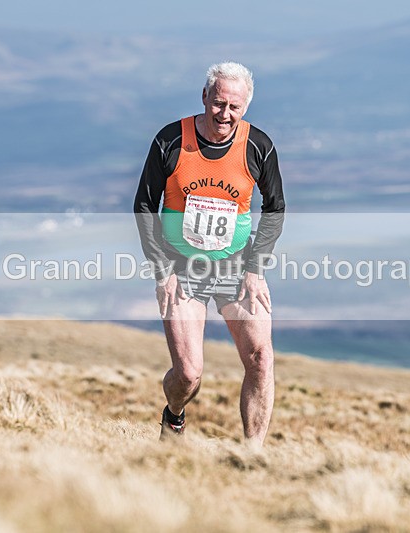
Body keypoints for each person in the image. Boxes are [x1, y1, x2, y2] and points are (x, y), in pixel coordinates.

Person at [133, 62, 285, 448]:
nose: (224, 114)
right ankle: (174, 414)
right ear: (204, 97)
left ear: (246, 107)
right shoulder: (170, 140)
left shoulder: (258, 146)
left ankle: (252, 456)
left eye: (234, 107)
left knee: (262, 360)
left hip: (237, 264)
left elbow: (276, 207)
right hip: (181, 267)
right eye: (218, 103)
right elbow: (144, 205)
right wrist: (162, 271)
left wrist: (256, 269)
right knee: (188, 374)